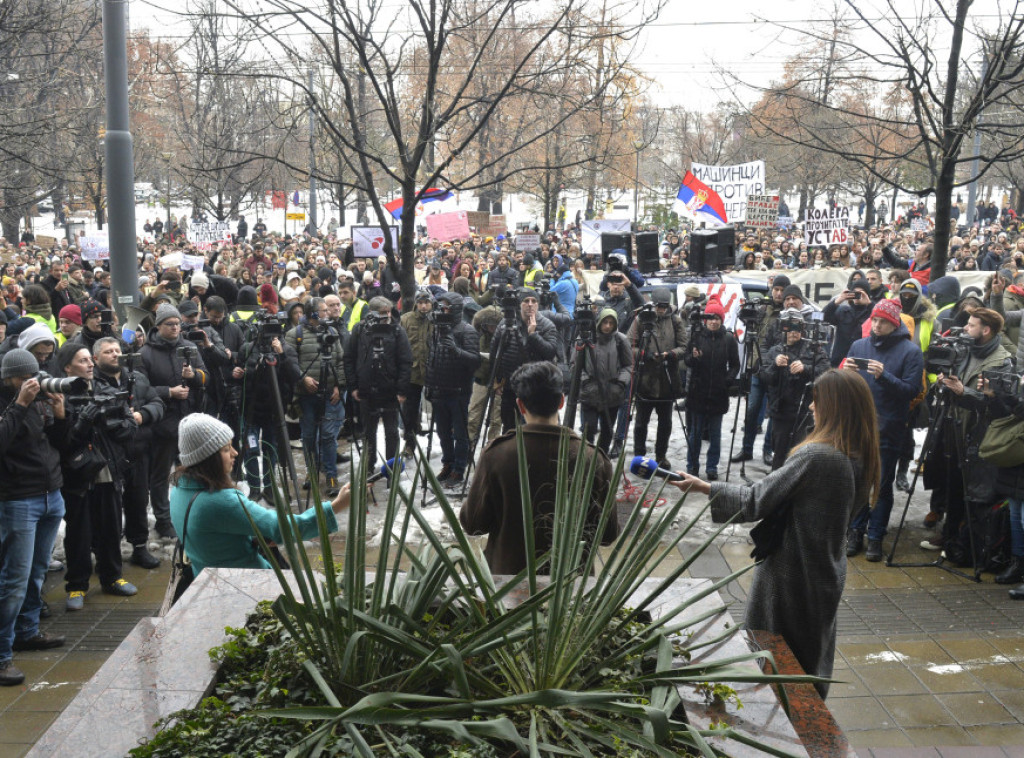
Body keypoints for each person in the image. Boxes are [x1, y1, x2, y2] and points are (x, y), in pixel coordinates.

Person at [670, 369, 880, 699]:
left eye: (817, 401)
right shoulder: (859, 454)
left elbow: (756, 500)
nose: (811, 407)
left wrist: (703, 487)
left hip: (791, 576)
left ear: (835, 406)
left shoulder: (820, 456)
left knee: (774, 665)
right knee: (806, 664)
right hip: (825, 571)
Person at [459, 361, 618, 575]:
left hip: (509, 584)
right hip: (569, 586)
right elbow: (607, 534)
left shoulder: (497, 454)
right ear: (562, 401)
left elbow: (473, 524)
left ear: (520, 405)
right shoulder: (592, 458)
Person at [168, 414, 349, 576]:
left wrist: (254, 536)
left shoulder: (179, 490)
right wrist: (338, 505)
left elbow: (213, 537)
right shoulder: (219, 501)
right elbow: (283, 528)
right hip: (246, 584)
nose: (235, 453)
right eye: (225, 449)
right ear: (207, 459)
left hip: (207, 578)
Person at [0, 349, 69, 686]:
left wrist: (59, 414)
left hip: (49, 495)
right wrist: (20, 404)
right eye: (24, 377)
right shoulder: (9, 402)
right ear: (10, 378)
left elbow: (56, 443)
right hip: (17, 499)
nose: (32, 381)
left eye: (35, 374)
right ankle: (1, 656)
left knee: (37, 573)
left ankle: (27, 632)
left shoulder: (40, 398)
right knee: (13, 580)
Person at [55, 342, 139, 611]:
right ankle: (77, 585)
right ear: (67, 367)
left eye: (89, 360)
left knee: (111, 528)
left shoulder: (108, 390)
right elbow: (62, 443)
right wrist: (82, 424)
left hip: (108, 471)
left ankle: (112, 577)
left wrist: (109, 423)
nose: (90, 364)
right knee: (79, 532)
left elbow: (130, 427)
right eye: (82, 361)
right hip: (78, 475)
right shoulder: (61, 396)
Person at [843, 299, 925, 561]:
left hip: (888, 427)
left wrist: (885, 376)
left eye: (882, 322)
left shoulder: (910, 351)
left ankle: (876, 536)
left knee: (881, 485)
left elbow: (912, 391)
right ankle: (855, 531)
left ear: (894, 323)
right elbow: (846, 386)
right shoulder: (859, 345)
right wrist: (845, 372)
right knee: (858, 482)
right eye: (874, 320)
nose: (876, 326)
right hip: (858, 426)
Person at [345, 297, 412, 473]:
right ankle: (368, 464)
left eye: (389, 312)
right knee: (368, 432)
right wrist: (353, 387)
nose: (387, 316)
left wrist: (402, 390)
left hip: (390, 391)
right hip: (366, 389)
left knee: (391, 432)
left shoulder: (397, 331)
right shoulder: (360, 330)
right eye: (383, 313)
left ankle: (392, 468)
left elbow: (406, 362)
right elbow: (349, 358)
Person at [424, 293, 481, 486]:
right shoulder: (436, 330)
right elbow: (432, 359)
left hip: (458, 390)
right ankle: (447, 463)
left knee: (460, 433)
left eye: (446, 307)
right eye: (440, 307)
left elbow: (474, 361)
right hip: (439, 389)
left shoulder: (467, 330)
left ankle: (459, 468)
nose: (443, 310)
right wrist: (429, 385)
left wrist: (455, 350)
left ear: (455, 308)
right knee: (442, 432)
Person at [629, 289, 687, 468]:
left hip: (667, 379)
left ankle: (661, 455)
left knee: (665, 422)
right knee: (641, 422)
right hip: (645, 378)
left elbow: (684, 347)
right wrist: (645, 355)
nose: (661, 310)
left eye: (664, 306)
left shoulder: (675, 320)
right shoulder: (641, 319)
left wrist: (669, 354)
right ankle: (639, 455)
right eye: (658, 306)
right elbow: (630, 344)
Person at [683, 296, 739, 479]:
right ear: (705, 319)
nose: (714, 322)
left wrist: (727, 382)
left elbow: (735, 365)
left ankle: (712, 467)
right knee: (695, 433)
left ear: (722, 319)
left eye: (717, 318)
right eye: (711, 318)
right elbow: (687, 361)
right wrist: (695, 357)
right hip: (698, 392)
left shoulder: (729, 339)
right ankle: (692, 465)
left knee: (715, 434)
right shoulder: (696, 336)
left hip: (718, 394)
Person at [576, 308, 632, 453]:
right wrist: (585, 381)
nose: (607, 326)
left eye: (611, 323)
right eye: (605, 322)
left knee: (607, 431)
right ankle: (587, 459)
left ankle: (602, 460)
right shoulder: (585, 338)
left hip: (612, 393)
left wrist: (620, 383)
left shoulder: (621, 340)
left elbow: (628, 365)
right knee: (589, 429)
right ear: (599, 322)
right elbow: (575, 365)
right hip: (590, 392)